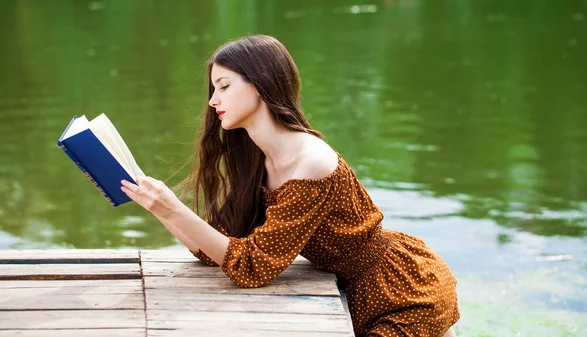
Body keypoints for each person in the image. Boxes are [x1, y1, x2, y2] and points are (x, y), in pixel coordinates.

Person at [121, 35, 460, 337]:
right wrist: (157, 207)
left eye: (224, 86)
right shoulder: (258, 158)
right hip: (352, 291)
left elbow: (252, 269)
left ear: (258, 84)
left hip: (403, 294)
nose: (213, 100)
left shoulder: (310, 162)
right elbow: (216, 252)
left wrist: (174, 209)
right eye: (213, 89)